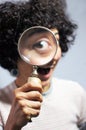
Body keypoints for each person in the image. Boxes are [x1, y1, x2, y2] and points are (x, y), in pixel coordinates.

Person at [0, 0, 86, 130]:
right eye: (40, 44)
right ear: (14, 52)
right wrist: (12, 125)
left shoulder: (76, 93)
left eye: (57, 41)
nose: (55, 56)